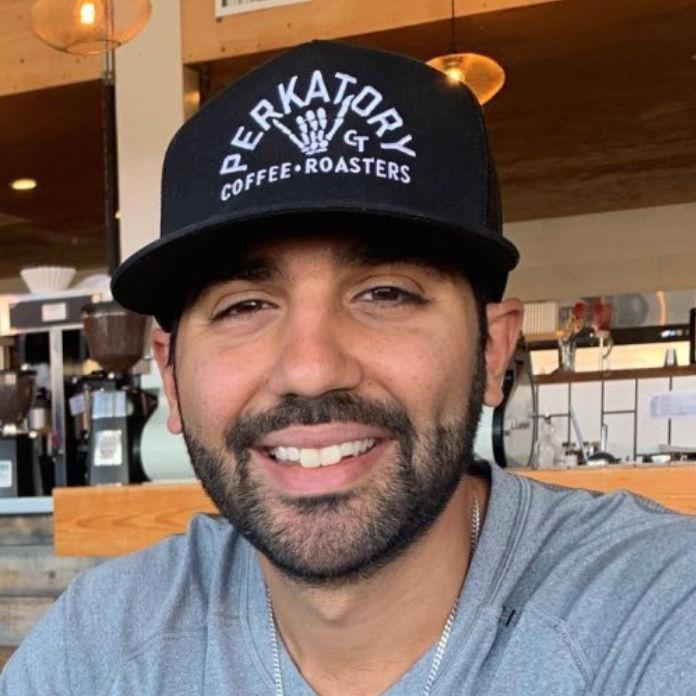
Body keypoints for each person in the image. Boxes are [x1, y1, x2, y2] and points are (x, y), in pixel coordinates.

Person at [2, 40, 696, 696]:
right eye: (245, 306)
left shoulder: (652, 616)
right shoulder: (99, 649)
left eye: (385, 294)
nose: (310, 369)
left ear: (492, 349)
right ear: (172, 377)